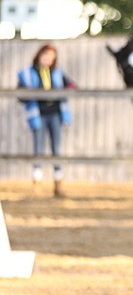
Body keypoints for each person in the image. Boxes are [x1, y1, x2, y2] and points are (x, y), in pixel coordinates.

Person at [17, 44, 76, 197]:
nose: (48, 59)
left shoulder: (57, 72)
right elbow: (20, 95)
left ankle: (58, 185)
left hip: (55, 114)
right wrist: (29, 94)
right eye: (45, 55)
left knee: (56, 149)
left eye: (51, 56)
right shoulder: (28, 73)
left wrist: (67, 89)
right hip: (38, 114)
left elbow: (71, 85)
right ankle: (37, 185)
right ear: (39, 55)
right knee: (39, 149)